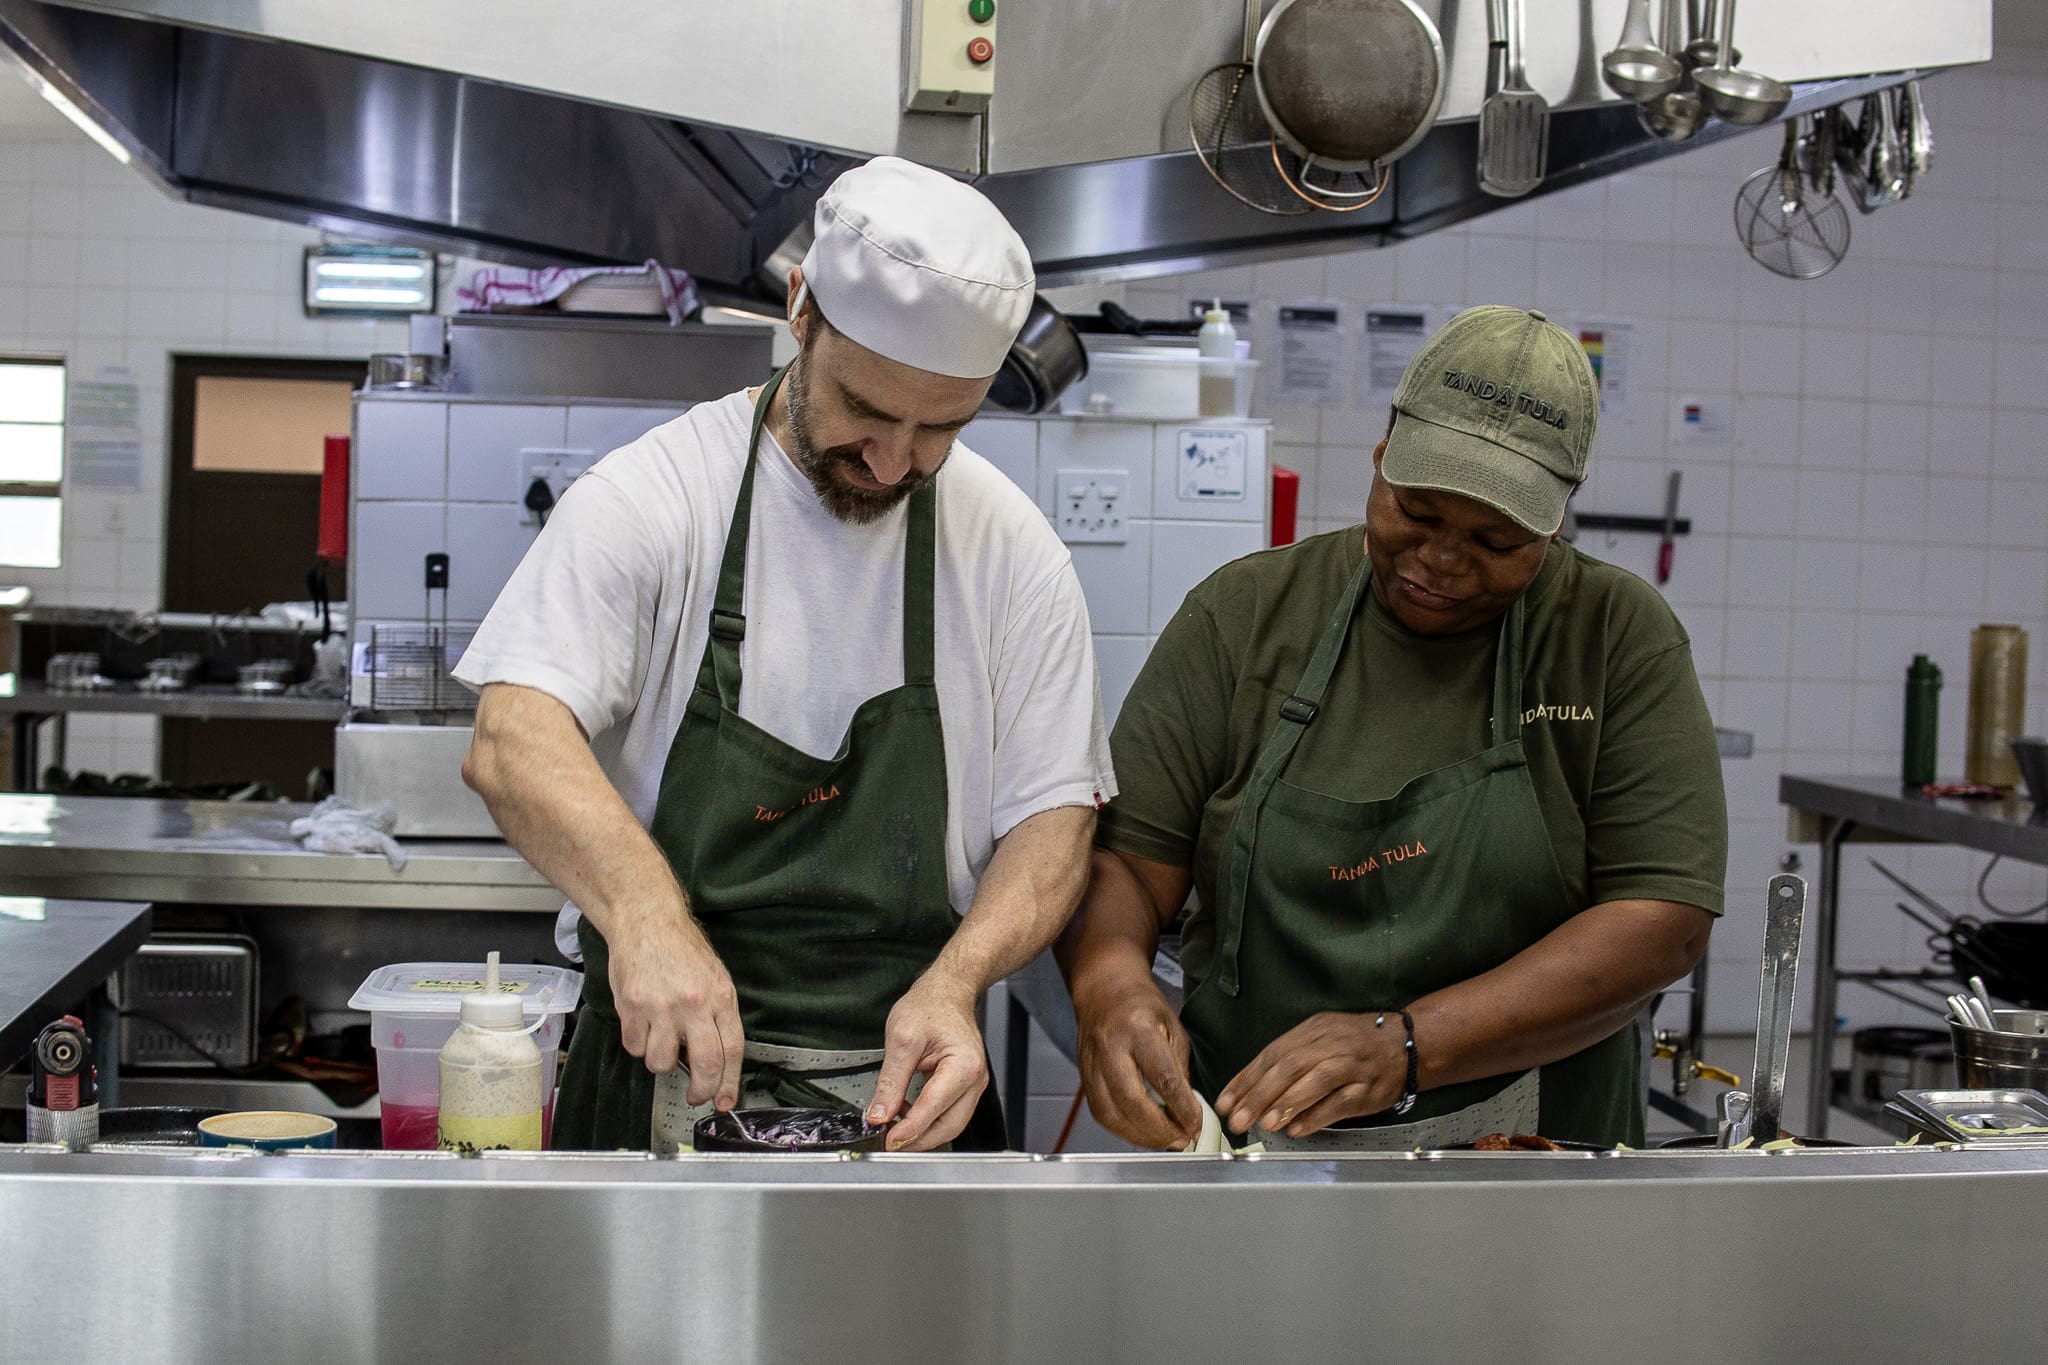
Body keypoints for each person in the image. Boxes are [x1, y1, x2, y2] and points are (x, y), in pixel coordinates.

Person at [456, 157, 1114, 1152]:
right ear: (800, 309)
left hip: (908, 1109)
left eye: (938, 427)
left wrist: (960, 977)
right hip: (655, 1097)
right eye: (866, 410)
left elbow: (1054, 825)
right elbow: (512, 737)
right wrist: (644, 916)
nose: (894, 461)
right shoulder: (655, 497)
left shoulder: (1011, 554)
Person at [1058, 306, 1725, 1151]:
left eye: (1495, 538)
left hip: (1533, 1162)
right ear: (1380, 457)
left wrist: (1410, 1044)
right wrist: (1110, 984)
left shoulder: (1615, 636)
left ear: (1557, 520)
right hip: (1253, 1145)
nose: (1442, 559)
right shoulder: (1246, 615)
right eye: (1416, 511)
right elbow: (1125, 861)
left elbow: (1662, 917)